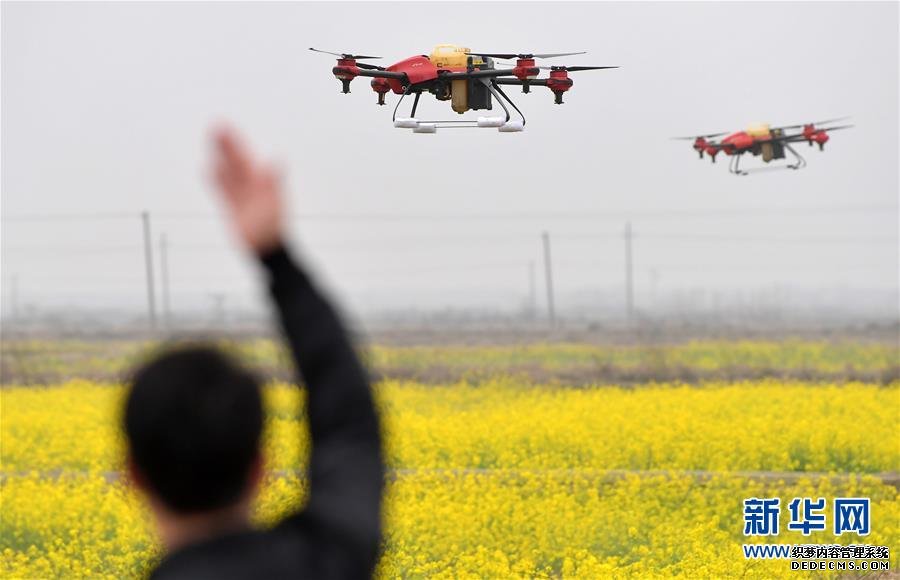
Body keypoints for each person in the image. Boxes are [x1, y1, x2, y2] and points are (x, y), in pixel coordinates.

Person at [123, 127, 384, 579]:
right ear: (261, 466)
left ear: (133, 477)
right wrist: (277, 258)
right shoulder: (328, 561)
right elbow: (349, 428)